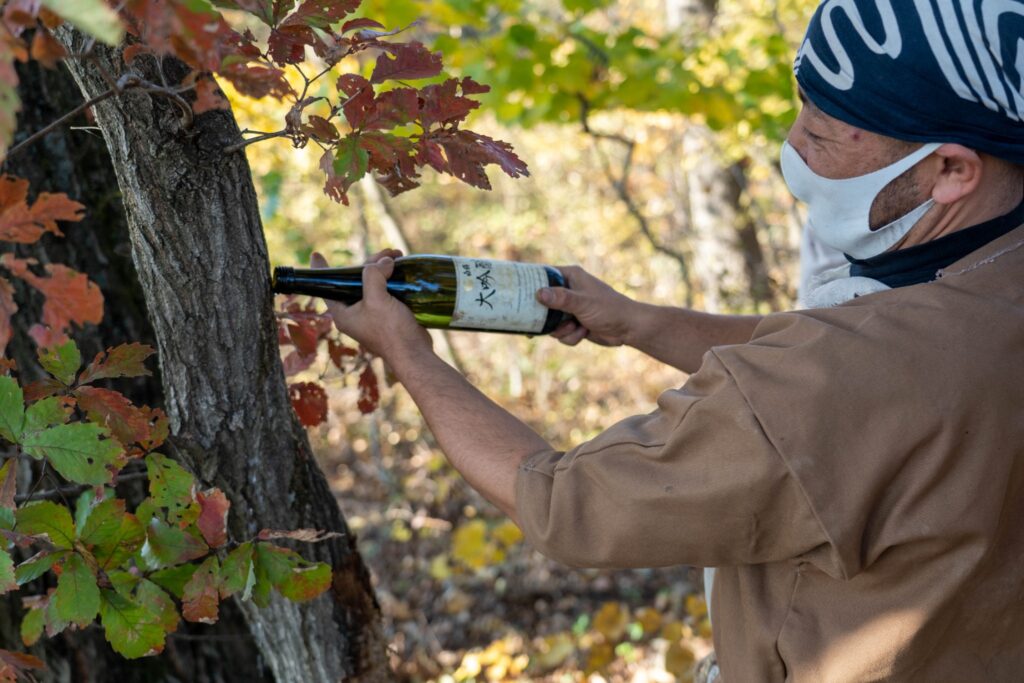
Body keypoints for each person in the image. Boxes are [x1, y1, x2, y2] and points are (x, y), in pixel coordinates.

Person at [318, 2, 1024, 680]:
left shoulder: (845, 377)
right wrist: (639, 322)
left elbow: (563, 504)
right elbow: (832, 351)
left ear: (951, 170)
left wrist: (407, 353)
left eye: (824, 135)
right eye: (800, 107)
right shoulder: (976, 284)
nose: (792, 144)